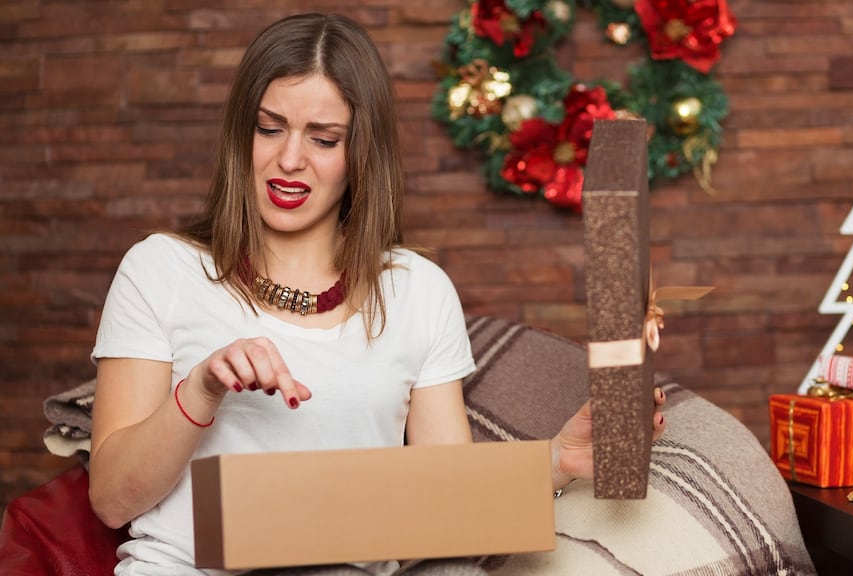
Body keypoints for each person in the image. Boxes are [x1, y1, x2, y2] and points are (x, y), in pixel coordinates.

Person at [87, 12, 667, 576]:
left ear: (361, 152)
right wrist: (200, 390)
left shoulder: (416, 289)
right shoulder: (161, 268)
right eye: (269, 128)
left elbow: (449, 497)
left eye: (324, 139)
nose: (289, 159)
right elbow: (112, 500)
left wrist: (559, 459)